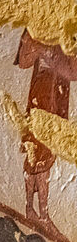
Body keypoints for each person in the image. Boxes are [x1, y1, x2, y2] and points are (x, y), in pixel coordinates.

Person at [14, 29, 77, 225]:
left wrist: (51, 51)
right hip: (41, 95)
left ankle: (40, 213)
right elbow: (24, 61)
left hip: (57, 96)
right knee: (36, 154)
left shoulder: (67, 29)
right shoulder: (39, 26)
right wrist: (40, 46)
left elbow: (72, 71)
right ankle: (34, 211)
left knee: (46, 156)